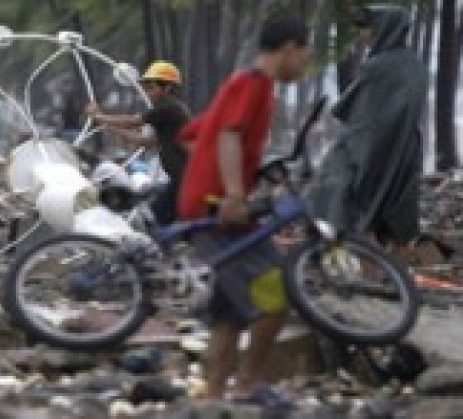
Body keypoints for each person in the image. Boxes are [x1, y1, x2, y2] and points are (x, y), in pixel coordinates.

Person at [177, 16, 310, 406]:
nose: (304, 65)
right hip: (217, 210)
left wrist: (237, 174)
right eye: (305, 55)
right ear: (289, 49)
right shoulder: (251, 84)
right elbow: (229, 134)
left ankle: (215, 397)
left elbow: (196, 134)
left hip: (212, 203)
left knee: (230, 312)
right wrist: (233, 193)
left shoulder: (247, 85)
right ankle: (249, 384)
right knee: (279, 291)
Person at [311, 5, 428, 252]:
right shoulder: (416, 65)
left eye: (367, 28)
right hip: (406, 148)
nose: (363, 34)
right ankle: (398, 270)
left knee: (347, 194)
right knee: (398, 211)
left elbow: (349, 108)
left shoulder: (375, 67)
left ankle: (364, 263)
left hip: (372, 149)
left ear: (383, 29)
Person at [86, 61, 191, 225]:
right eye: (146, 86)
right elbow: (145, 142)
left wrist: (99, 116)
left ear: (167, 88)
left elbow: (133, 121)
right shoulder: (170, 113)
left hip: (184, 178)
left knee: (156, 218)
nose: (147, 90)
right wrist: (107, 125)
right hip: (180, 179)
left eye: (151, 86)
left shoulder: (168, 108)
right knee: (159, 217)